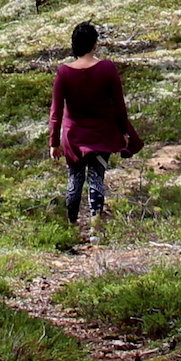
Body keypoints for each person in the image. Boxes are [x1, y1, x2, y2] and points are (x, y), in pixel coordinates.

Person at [49, 20, 140, 231]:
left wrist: (54, 142)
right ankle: (95, 225)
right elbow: (119, 106)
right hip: (102, 135)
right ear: (95, 44)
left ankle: (71, 224)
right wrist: (125, 132)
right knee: (96, 177)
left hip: (73, 138)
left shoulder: (64, 73)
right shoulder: (107, 68)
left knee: (75, 179)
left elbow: (56, 112)